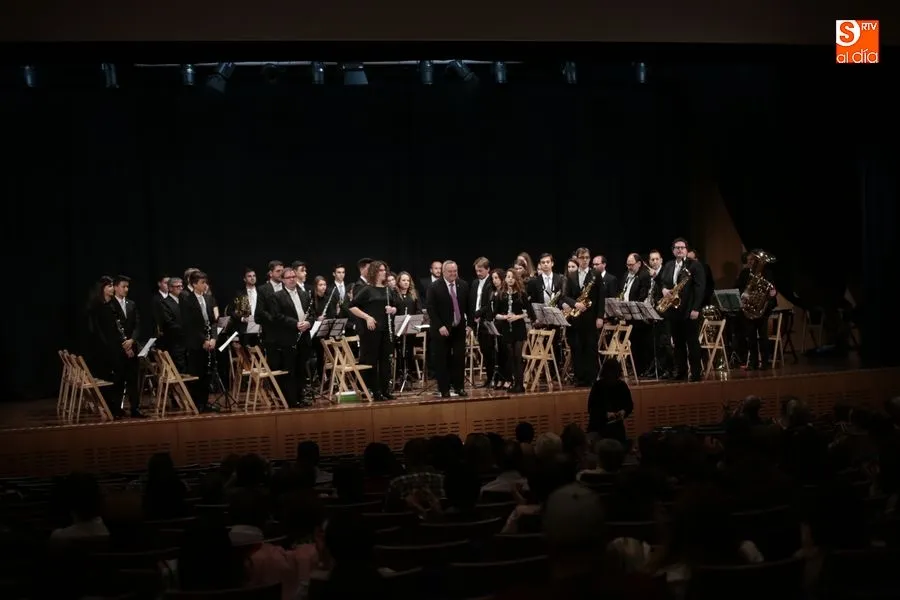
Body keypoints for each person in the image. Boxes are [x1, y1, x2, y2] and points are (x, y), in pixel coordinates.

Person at [653, 237, 706, 382]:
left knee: (692, 343)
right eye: (677, 248)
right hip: (674, 311)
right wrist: (664, 289)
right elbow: (662, 281)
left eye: (682, 248)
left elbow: (700, 288)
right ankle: (681, 371)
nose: (680, 250)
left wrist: (696, 308)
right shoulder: (669, 265)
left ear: (686, 250)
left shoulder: (694, 265)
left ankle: (696, 373)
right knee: (678, 343)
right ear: (673, 250)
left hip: (689, 310)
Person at [349, 260, 398, 401]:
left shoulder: (388, 290)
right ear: (374, 272)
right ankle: (375, 391)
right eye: (380, 270)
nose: (384, 272)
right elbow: (352, 306)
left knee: (385, 360)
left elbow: (395, 307)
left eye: (384, 270)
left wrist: (393, 310)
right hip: (371, 330)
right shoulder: (367, 289)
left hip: (386, 329)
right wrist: (367, 317)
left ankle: (385, 390)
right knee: (373, 361)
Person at [425, 260, 471, 398]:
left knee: (459, 358)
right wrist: (440, 325)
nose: (453, 274)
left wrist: (469, 325)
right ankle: (444, 388)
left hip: (459, 328)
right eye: (450, 271)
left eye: (455, 271)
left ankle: (459, 387)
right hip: (441, 329)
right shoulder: (434, 287)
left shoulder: (463, 285)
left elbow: (469, 306)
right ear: (444, 272)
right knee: (442, 359)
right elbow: (431, 309)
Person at [491, 268, 535, 394]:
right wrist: (505, 317)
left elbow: (529, 312)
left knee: (517, 356)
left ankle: (520, 385)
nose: (510, 279)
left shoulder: (521, 294)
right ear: (505, 279)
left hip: (518, 328)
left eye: (512, 277)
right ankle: (515, 383)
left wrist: (517, 317)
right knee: (511, 357)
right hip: (506, 328)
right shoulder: (501, 294)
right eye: (508, 277)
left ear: (516, 279)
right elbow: (495, 314)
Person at [736, 250, 778, 370]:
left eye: (753, 260)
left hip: (762, 308)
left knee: (763, 336)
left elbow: (772, 289)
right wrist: (743, 293)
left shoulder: (767, 273)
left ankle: (764, 362)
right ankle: (753, 362)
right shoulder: (744, 273)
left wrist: (773, 293)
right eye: (749, 260)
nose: (750, 262)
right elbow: (737, 287)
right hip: (748, 309)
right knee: (751, 337)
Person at [587, 359, 634, 446]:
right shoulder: (598, 386)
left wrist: (624, 411)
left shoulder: (622, 386)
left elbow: (629, 405)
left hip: (616, 428)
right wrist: (606, 414)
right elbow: (591, 408)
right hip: (598, 428)